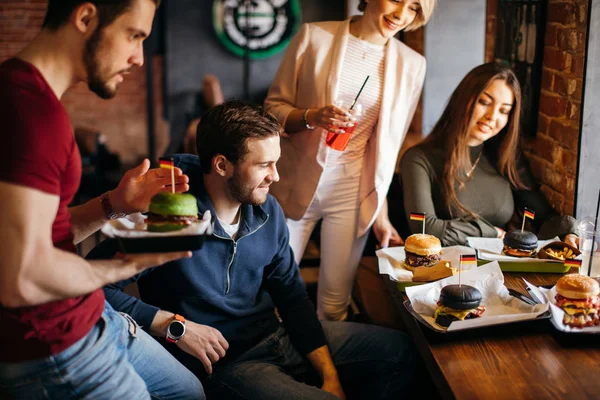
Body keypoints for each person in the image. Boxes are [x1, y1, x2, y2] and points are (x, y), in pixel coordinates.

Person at [92, 100, 417, 400]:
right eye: (264, 165)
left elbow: (291, 295)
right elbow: (91, 285)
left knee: (401, 350)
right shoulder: (169, 216)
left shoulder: (268, 212)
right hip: (230, 365)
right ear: (222, 165)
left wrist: (330, 376)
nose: (274, 176)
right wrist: (172, 325)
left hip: (278, 336)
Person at [0, 1, 205, 398]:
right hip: (54, 346)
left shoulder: (23, 92)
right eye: (134, 35)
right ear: (85, 17)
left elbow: (41, 233)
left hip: (90, 314)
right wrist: (129, 263)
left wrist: (115, 203)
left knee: (188, 391)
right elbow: (21, 278)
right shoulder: (32, 115)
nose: (140, 58)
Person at [264, 0, 436, 321]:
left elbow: (385, 147)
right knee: (271, 297)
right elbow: (273, 109)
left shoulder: (413, 64)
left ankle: (330, 370)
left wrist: (380, 211)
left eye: (414, 8)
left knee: (333, 305)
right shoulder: (314, 37)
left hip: (352, 191)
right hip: (293, 184)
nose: (401, 14)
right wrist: (312, 116)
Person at [400, 62, 579, 247]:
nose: (492, 116)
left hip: (501, 271)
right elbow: (424, 229)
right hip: (443, 270)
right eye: (484, 102)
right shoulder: (418, 159)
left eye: (504, 111)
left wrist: (568, 233)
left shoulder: (505, 158)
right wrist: (491, 232)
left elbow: (540, 214)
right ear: (464, 99)